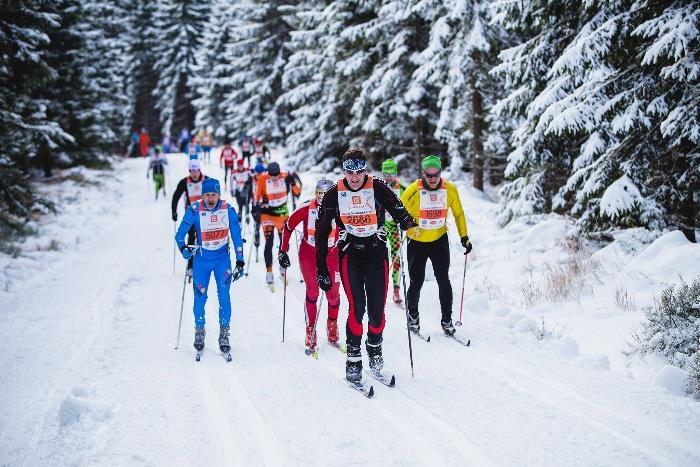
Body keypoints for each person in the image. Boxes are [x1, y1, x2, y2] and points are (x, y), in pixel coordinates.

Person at [315, 148, 416, 383]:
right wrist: (321, 268)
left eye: (359, 171)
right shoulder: (334, 193)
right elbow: (321, 232)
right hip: (350, 255)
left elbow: (396, 207)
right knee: (357, 308)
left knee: (377, 312)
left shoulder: (377, 186)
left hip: (376, 253)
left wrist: (406, 221)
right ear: (344, 172)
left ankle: (375, 353)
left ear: (364, 170)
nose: (354, 177)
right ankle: (353, 360)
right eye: (349, 172)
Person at [400, 155, 472, 337]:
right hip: (417, 241)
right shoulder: (413, 190)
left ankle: (447, 320)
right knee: (417, 281)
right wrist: (403, 222)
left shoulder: (450, 189)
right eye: (428, 175)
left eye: (436, 175)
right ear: (422, 173)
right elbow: (398, 209)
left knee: (443, 279)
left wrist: (464, 237)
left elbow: (459, 214)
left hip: (439, 239)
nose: (432, 179)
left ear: (440, 172)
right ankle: (413, 317)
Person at [175, 178, 245, 355]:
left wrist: (240, 261)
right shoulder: (195, 210)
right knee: (200, 297)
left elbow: (237, 236)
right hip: (202, 261)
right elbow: (179, 235)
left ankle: (224, 333)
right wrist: (183, 249)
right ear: (202, 195)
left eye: (213, 194)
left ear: (219, 194)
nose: (210, 198)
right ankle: (200, 330)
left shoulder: (228, 210)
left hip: (222, 260)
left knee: (224, 296)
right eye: (207, 194)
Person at [278, 178, 340, 351]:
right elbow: (289, 226)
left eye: (326, 194)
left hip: (332, 254)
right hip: (309, 253)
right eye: (319, 194)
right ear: (315, 194)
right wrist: (283, 250)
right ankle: (310, 329)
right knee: (312, 291)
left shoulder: (339, 208)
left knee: (333, 294)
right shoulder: (306, 208)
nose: (322, 198)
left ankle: (332, 324)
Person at [254, 161, 301, 286]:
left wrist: (292, 182)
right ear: (268, 172)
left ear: (279, 172)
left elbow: (297, 193)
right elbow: (256, 197)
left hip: (282, 215)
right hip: (267, 215)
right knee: (269, 242)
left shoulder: (285, 177)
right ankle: (269, 272)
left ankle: (282, 265)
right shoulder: (262, 179)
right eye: (271, 175)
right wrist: (256, 209)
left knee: (284, 243)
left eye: (276, 175)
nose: (274, 177)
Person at [172, 159, 210, 279]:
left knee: (205, 239)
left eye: (196, 171)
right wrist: (174, 211)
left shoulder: (207, 180)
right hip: (191, 215)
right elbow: (176, 197)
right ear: (189, 171)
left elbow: (216, 197)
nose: (194, 173)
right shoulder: (184, 182)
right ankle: (190, 266)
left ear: (200, 170)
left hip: (205, 215)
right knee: (192, 238)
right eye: (191, 171)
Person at [380, 159, 408, 305]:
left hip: (394, 227)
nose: (388, 176)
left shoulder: (402, 188)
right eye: (386, 172)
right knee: (379, 256)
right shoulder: (378, 186)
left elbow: (410, 205)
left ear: (396, 173)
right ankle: (380, 287)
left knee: (396, 256)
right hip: (380, 227)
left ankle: (396, 288)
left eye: (391, 172)